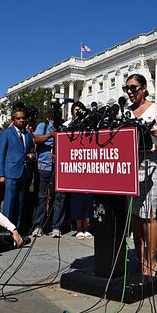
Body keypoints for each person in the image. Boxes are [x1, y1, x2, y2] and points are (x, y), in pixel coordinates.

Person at [124, 74, 157, 277]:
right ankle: (140, 257)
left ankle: (152, 260)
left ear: (144, 88)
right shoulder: (126, 112)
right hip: (131, 165)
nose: (129, 92)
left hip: (152, 163)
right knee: (136, 215)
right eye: (126, 88)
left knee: (149, 214)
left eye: (133, 88)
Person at [0, 107, 34, 228]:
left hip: (24, 172)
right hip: (10, 172)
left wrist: (32, 155)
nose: (22, 120)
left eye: (23, 118)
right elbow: (0, 154)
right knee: (9, 202)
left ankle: (17, 229)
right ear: (13, 120)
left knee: (21, 202)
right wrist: (0, 174)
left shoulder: (27, 135)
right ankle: (6, 230)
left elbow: (31, 150)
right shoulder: (6, 133)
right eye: (18, 118)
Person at [30, 110, 65, 238]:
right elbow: (36, 138)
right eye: (53, 116)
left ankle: (56, 226)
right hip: (44, 166)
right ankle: (38, 225)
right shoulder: (42, 126)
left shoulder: (63, 127)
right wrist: (51, 135)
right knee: (42, 196)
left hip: (59, 167)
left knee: (59, 196)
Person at [66, 101, 94, 239]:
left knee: (89, 197)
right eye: (75, 110)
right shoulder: (69, 125)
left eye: (80, 110)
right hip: (75, 165)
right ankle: (78, 229)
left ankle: (86, 226)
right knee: (77, 198)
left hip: (88, 164)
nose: (78, 112)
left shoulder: (89, 124)